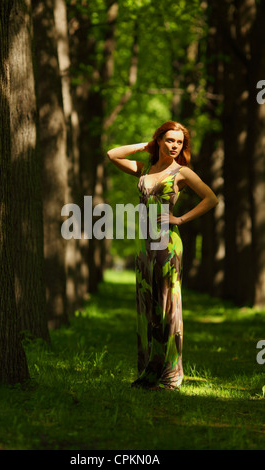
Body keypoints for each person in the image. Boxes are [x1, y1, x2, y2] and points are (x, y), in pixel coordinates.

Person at [107, 121, 218, 391]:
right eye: (169, 140)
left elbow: (211, 198)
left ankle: (170, 375)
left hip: (167, 244)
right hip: (143, 244)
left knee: (168, 306)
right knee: (147, 304)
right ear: (159, 140)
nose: (174, 146)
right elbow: (113, 154)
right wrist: (143, 146)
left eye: (179, 142)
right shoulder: (144, 170)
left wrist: (179, 219)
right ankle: (149, 369)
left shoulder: (182, 173)